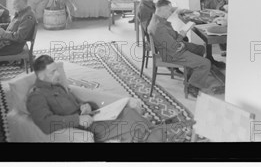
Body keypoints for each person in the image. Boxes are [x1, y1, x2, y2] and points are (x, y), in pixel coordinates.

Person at [26, 55, 189, 142]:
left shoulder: (58, 85)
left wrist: (86, 105)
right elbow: (46, 124)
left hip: (91, 118)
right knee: (132, 122)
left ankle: (154, 133)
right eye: (52, 72)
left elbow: (78, 102)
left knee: (128, 112)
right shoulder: (36, 95)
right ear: (40, 75)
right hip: (83, 128)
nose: (58, 74)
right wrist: (77, 119)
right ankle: (159, 133)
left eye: (56, 70)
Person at [148, 0, 224, 96]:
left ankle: (191, 74)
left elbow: (171, 38)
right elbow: (173, 47)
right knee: (206, 63)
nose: (171, 13)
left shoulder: (157, 19)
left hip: (171, 47)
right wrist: (181, 38)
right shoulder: (159, 26)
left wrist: (180, 37)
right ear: (163, 9)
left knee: (200, 49)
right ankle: (192, 86)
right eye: (169, 10)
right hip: (172, 54)